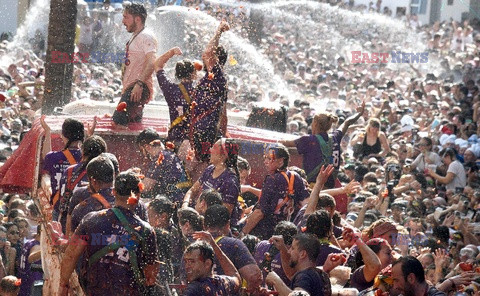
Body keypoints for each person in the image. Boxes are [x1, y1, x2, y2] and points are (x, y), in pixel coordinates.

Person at [59, 171, 159, 296]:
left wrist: (63, 285)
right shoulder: (146, 231)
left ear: (114, 192)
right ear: (138, 195)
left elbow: (70, 255)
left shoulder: (90, 221)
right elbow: (151, 275)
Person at [282, 101, 365, 186]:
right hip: (329, 187)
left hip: (312, 188)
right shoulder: (335, 137)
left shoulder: (308, 140)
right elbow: (347, 123)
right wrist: (359, 113)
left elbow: (285, 143)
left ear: (315, 124)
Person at [241, 144, 310, 240]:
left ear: (281, 161)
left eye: (269, 159)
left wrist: (243, 232)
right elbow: (306, 205)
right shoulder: (296, 177)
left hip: (264, 232)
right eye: (265, 158)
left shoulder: (272, 179)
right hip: (284, 232)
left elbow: (260, 212)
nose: (265, 162)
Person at [112, 3, 158, 126]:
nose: (122, 21)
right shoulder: (137, 35)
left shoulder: (146, 36)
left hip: (137, 86)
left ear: (137, 19)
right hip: (132, 86)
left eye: (126, 17)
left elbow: (152, 62)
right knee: (132, 122)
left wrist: (139, 84)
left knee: (118, 121)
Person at [191, 21, 230, 162]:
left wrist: (218, 32)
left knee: (203, 165)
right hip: (205, 130)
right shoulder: (216, 79)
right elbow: (223, 113)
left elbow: (208, 52)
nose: (203, 58)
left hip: (205, 131)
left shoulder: (217, 75)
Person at [202, 205, 262, 293]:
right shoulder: (233, 245)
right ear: (228, 225)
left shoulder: (192, 247)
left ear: (204, 224)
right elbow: (254, 277)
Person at [183, 138, 240, 226]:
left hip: (214, 226)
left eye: (214, 148)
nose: (210, 150)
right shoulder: (210, 169)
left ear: (223, 156)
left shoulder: (230, 181)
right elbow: (192, 191)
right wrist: (185, 206)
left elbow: (223, 216)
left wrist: (200, 219)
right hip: (200, 217)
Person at [56, 135, 107, 232]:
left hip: (69, 226)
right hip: (99, 228)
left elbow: (61, 201)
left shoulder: (70, 171)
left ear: (82, 152)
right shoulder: (107, 173)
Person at [155, 47, 198, 145]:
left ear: (177, 74)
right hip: (193, 140)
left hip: (175, 139)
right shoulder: (200, 91)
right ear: (193, 74)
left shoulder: (170, 89)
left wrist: (172, 52)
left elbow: (157, 64)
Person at [265, 233, 332, 296]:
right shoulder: (321, 274)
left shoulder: (304, 276)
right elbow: (291, 274)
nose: (289, 251)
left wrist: (276, 280)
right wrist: (282, 248)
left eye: (293, 248)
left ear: (302, 254)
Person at [136, 128, 190, 204]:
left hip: (173, 201)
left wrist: (131, 180)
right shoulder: (170, 154)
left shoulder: (160, 159)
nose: (143, 155)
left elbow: (146, 187)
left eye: (142, 150)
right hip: (180, 197)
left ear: (147, 147)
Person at [40, 117, 85, 207]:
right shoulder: (87, 158)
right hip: (81, 207)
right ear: (82, 136)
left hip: (60, 207)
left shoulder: (52, 157)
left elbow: (46, 155)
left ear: (63, 135)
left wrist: (47, 132)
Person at [17, 225, 42, 296]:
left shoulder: (29, 242)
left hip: (23, 280)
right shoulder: (37, 246)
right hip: (31, 284)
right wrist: (46, 249)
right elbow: (30, 258)